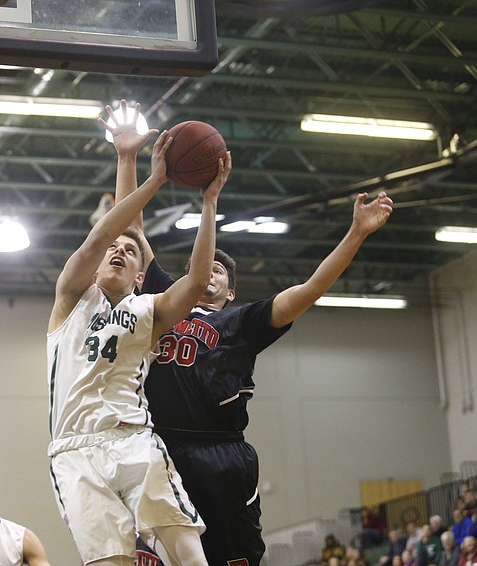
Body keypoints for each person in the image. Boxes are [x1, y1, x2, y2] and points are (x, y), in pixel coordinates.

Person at [107, 100, 393, 566]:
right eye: (206, 266)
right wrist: (128, 157)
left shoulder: (243, 323)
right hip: (163, 447)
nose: (210, 272)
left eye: (220, 270)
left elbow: (311, 288)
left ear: (231, 289)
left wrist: (356, 234)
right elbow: (130, 227)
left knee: (233, 556)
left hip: (224, 453)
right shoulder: (164, 301)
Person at [47, 109, 227, 566]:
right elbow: (106, 231)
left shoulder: (149, 309)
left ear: (140, 274)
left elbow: (197, 278)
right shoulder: (72, 296)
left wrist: (209, 203)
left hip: (134, 439)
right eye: (113, 249)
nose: (119, 251)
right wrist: (146, 175)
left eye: (130, 251)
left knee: (189, 552)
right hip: (74, 448)